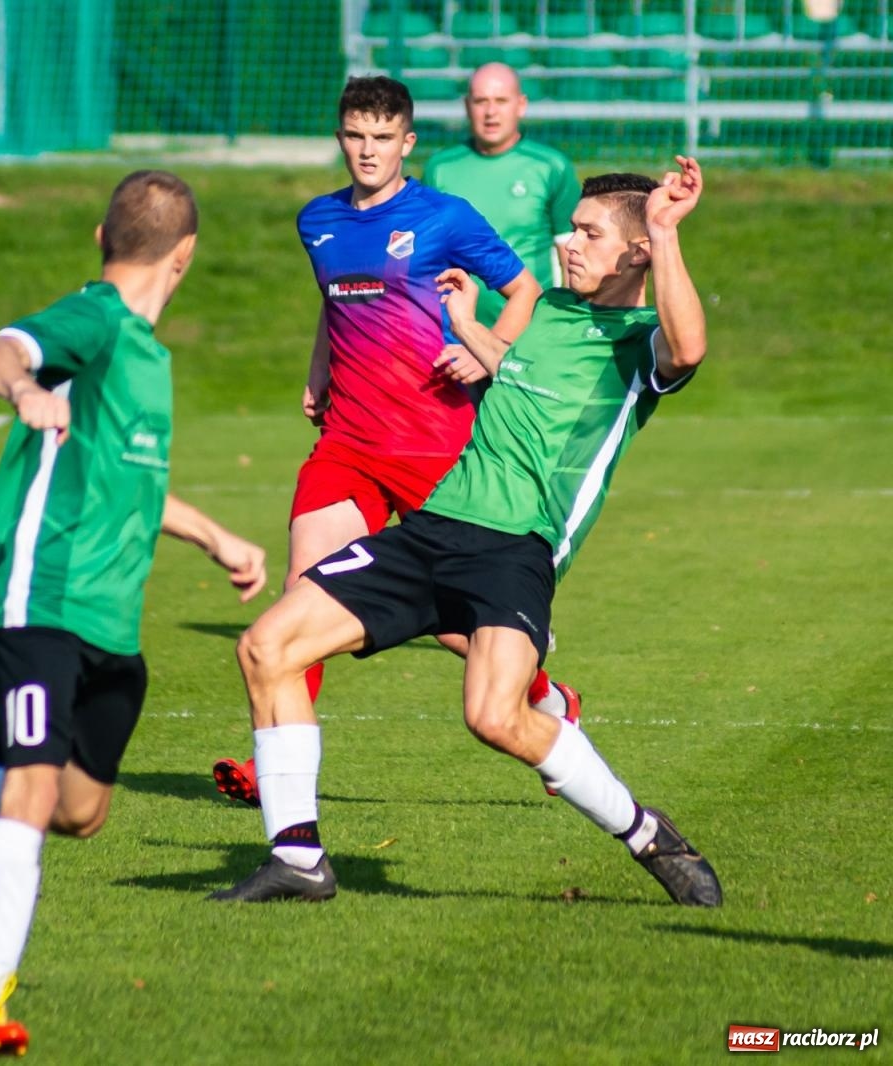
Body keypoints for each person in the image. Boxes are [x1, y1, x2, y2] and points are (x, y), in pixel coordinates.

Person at [208, 158, 722, 909]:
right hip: (433, 529)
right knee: (266, 647)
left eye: (587, 233)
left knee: (493, 717)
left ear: (636, 251)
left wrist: (668, 233)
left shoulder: (639, 343)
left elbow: (690, 349)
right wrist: (469, 328)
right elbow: (521, 378)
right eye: (569, 229)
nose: (566, 244)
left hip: (514, 553)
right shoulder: (549, 309)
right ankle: (298, 857)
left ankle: (646, 833)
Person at [0, 171, 268, 1056]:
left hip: (111, 620)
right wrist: (20, 389)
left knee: (79, 810)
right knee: (33, 791)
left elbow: (131, 483)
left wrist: (214, 538)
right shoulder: (93, 320)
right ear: (188, 256)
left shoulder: (149, 356)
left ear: (101, 231)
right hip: (39, 594)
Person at [210, 75, 579, 808]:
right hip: (347, 443)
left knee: (460, 621)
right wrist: (317, 370)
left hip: (437, 446)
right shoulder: (317, 219)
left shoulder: (445, 214)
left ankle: (546, 697)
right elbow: (334, 303)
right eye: (355, 136)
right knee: (303, 596)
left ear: (408, 143)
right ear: (341, 137)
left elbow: (527, 289)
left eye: (382, 138)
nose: (367, 150)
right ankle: (271, 771)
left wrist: (486, 349)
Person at [424, 62, 583, 329]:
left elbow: (573, 256)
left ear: (521, 104)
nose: (490, 112)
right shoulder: (439, 169)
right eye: (480, 101)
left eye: (501, 101)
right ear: (466, 106)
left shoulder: (551, 167)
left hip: (533, 333)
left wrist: (566, 326)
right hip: (458, 335)